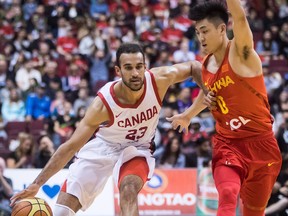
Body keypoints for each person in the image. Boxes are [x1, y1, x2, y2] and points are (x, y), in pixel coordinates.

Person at [10, 43, 205, 216]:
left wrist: (193, 109)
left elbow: (194, 67)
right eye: (128, 68)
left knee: (128, 189)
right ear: (118, 71)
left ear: (145, 67)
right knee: (62, 210)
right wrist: (37, 183)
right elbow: (70, 147)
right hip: (104, 146)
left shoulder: (159, 79)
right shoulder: (103, 104)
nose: (135, 73)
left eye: (139, 67)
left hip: (139, 147)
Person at [167, 1, 282, 216]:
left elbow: (240, 19)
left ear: (222, 29)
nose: (200, 38)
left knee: (254, 212)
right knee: (228, 193)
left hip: (262, 144)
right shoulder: (206, 65)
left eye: (205, 31)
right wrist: (188, 115)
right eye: (197, 32)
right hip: (228, 144)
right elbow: (207, 91)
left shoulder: (241, 53)